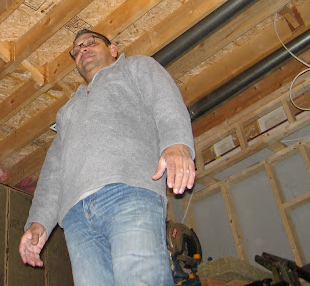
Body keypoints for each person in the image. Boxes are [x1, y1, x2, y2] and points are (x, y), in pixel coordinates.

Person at [19, 29, 196, 286]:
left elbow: (165, 99)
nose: (82, 49)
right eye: (76, 50)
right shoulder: (67, 111)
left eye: (91, 43)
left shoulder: (134, 67)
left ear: (113, 50)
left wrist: (177, 143)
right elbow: (54, 170)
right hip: (77, 218)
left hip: (129, 194)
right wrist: (39, 221)